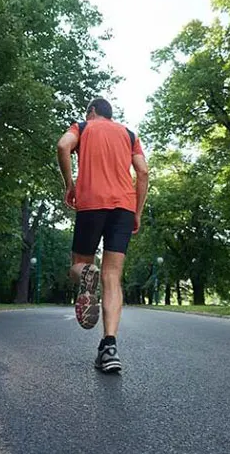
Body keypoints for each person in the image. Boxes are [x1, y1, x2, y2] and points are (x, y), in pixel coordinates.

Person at [56, 98, 149, 372]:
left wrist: (69, 185)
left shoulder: (83, 126)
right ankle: (109, 347)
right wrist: (137, 211)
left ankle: (86, 272)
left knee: (78, 264)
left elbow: (63, 145)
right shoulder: (129, 134)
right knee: (112, 276)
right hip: (123, 207)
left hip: (91, 203)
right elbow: (143, 171)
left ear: (92, 111)